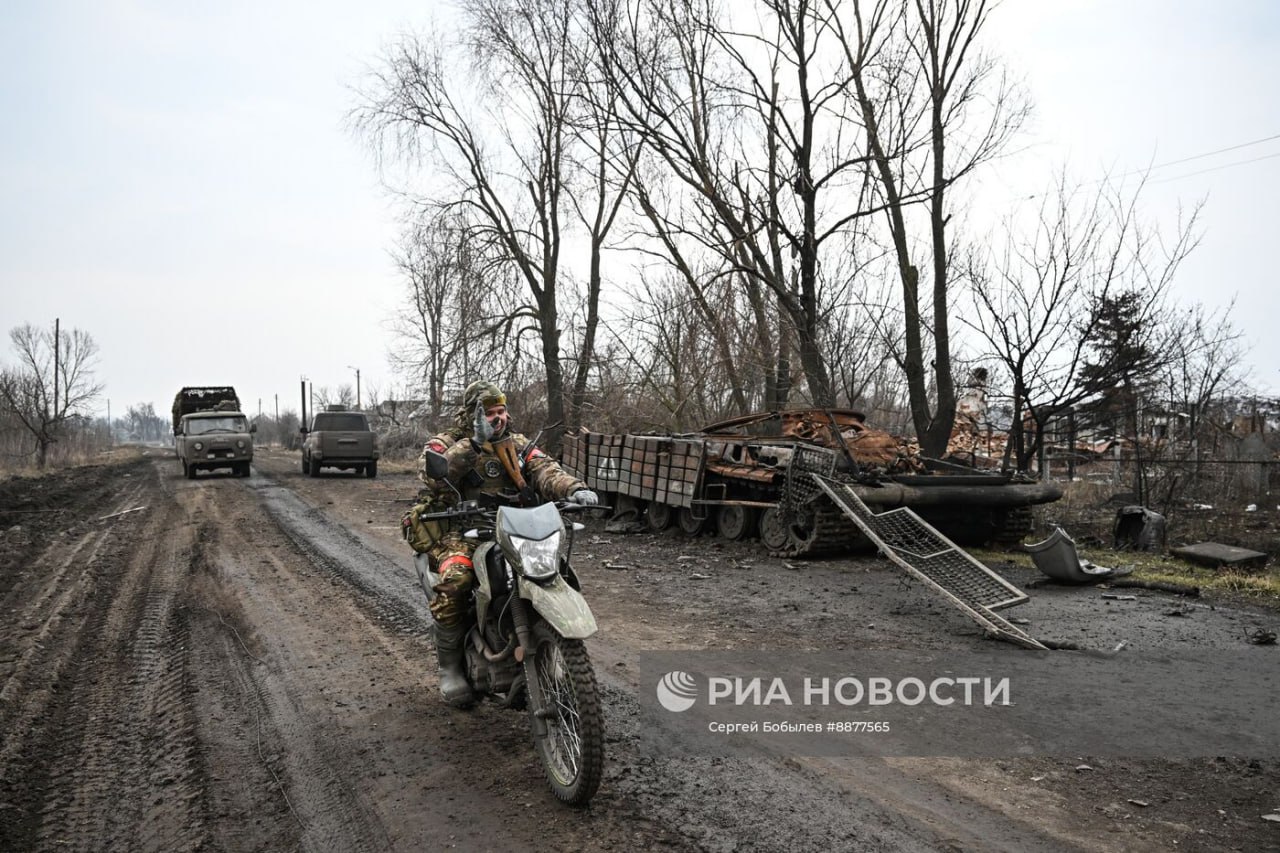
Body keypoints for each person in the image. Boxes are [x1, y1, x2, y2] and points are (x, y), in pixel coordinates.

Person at [418, 379, 598, 706]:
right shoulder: (448, 442)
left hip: (516, 525)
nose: (497, 418)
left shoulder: (516, 444)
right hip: (463, 530)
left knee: (555, 572)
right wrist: (474, 442)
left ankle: (547, 649)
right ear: (472, 415)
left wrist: (573, 489)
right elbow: (433, 475)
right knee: (457, 581)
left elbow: (545, 469)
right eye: (489, 413)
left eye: (501, 411)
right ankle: (451, 668)